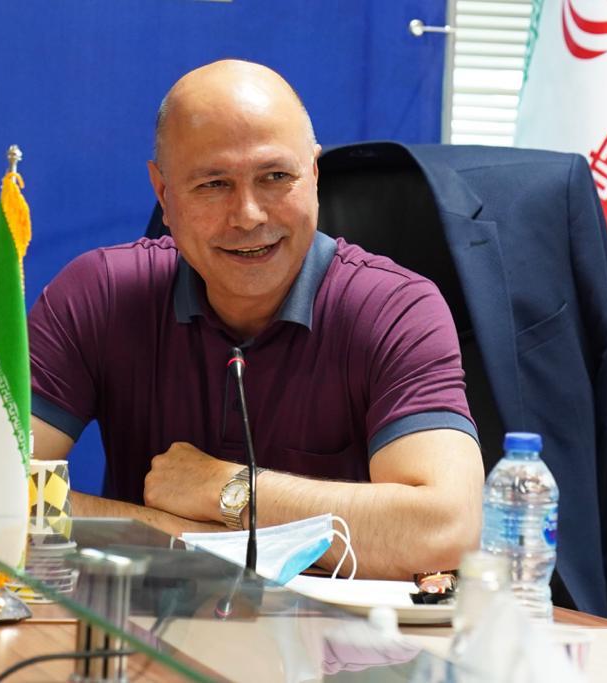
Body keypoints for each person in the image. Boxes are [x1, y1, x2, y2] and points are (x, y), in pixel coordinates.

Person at [28, 59, 484, 579]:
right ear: (163, 195)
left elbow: (447, 530)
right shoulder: (101, 292)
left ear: (314, 175)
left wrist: (228, 489)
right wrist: (180, 534)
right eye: (213, 184)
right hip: (146, 619)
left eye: (275, 177)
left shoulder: (397, 310)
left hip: (338, 630)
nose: (248, 215)